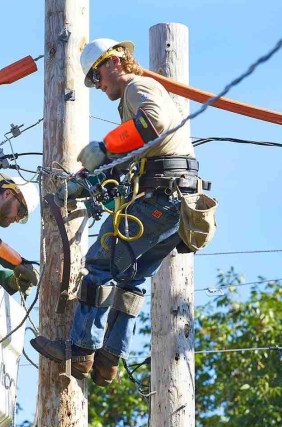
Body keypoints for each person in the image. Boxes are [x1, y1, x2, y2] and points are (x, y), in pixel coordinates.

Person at [31, 38, 206, 386]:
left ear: (114, 62)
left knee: (100, 263)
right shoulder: (131, 102)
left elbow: (154, 123)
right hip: (176, 205)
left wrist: (105, 146)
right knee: (130, 278)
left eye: (96, 77)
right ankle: (108, 360)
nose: (97, 85)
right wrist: (87, 180)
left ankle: (81, 349)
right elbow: (130, 156)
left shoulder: (137, 87)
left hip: (161, 198)